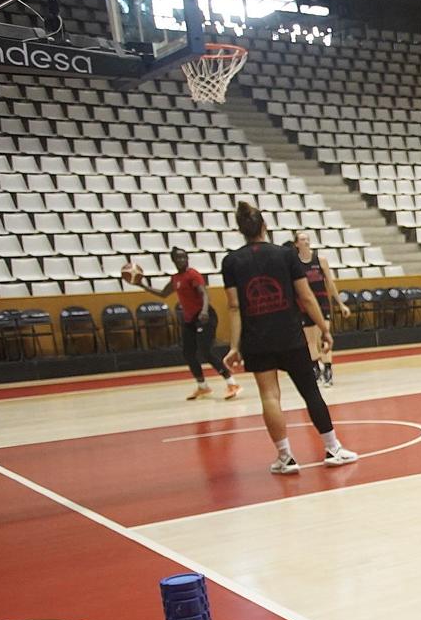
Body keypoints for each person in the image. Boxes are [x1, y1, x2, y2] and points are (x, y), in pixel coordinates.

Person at [222, 202, 358, 475]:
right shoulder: (285, 255)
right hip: (289, 335)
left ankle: (285, 457)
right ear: (265, 226)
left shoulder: (231, 262)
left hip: (256, 339)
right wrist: (325, 328)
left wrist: (235, 346)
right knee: (310, 390)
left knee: (270, 396)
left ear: (240, 230)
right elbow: (305, 296)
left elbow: (235, 307)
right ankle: (333, 448)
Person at [121, 248, 240, 401]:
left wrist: (204, 311)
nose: (183, 260)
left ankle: (231, 383)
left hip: (205, 316)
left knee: (206, 351)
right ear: (173, 260)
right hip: (190, 319)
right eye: (179, 258)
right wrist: (142, 285)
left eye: (184, 257)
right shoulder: (176, 278)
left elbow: (203, 293)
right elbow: (163, 294)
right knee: (188, 353)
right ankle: (202, 386)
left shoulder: (193, 274)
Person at [292, 232, 339, 386]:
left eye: (307, 239)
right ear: (296, 243)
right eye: (302, 239)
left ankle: (327, 370)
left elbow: (330, 284)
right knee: (311, 341)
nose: (306, 242)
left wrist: (340, 303)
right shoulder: (295, 263)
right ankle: (315, 369)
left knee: (325, 337)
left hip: (322, 303)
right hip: (304, 306)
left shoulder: (320, 260)